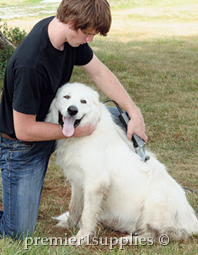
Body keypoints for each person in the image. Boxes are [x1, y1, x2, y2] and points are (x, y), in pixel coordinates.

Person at [0, 0, 147, 239]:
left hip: (59, 123)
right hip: (21, 145)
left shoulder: (66, 36)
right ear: (71, 23)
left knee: (111, 118)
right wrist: (76, 132)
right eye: (88, 34)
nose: (90, 40)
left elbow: (99, 72)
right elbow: (24, 130)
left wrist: (133, 111)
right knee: (18, 232)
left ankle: (119, 186)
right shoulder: (32, 65)